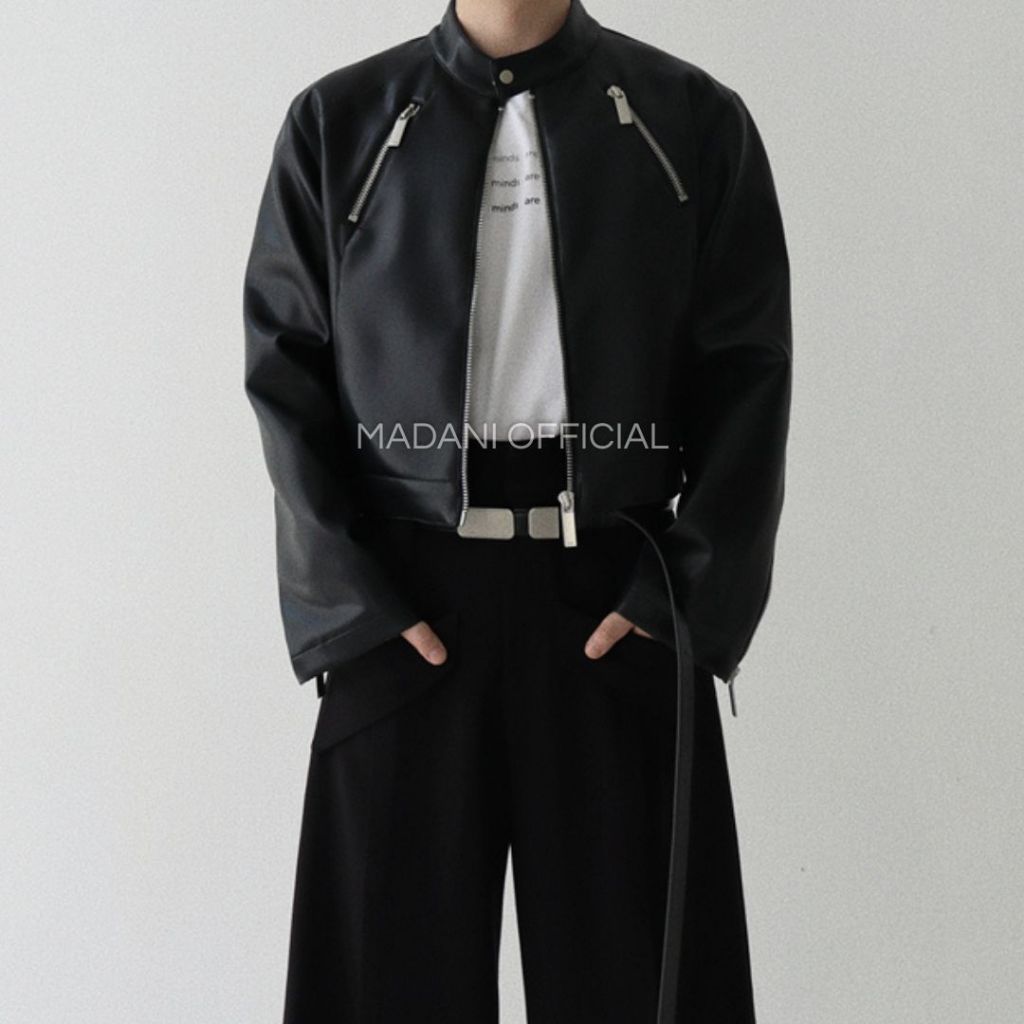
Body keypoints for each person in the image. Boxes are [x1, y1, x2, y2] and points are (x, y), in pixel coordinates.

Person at [242, 0, 792, 1020]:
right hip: (408, 602)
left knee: (644, 987)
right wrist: (354, 605)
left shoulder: (689, 119)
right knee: (381, 986)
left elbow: (748, 375)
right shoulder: (339, 121)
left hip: (615, 598)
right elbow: (286, 377)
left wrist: (684, 599)